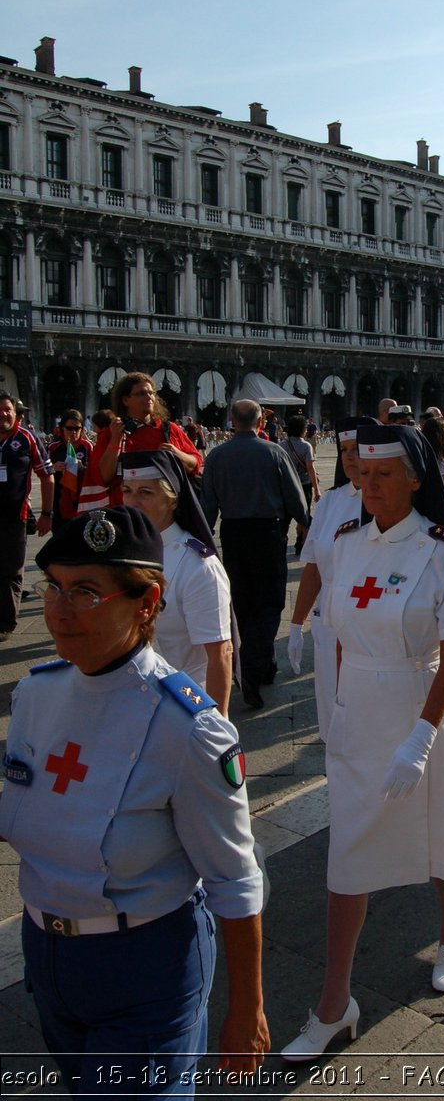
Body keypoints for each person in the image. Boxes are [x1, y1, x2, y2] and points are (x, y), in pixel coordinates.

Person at [0, 507, 268, 1095]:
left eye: (88, 592)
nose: (61, 609)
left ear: (146, 603)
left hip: (146, 964)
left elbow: (234, 878)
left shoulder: (188, 729)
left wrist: (246, 1007)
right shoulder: (36, 695)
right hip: (47, 956)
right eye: (56, 588)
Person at [281, 424, 444, 1061]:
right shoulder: (345, 542)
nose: (367, 485)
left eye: (383, 474)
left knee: (440, 821)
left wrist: (422, 737)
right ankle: (335, 1005)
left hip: (419, 706)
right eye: (362, 474)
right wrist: (338, 705)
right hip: (358, 714)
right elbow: (340, 631)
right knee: (348, 854)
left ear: (415, 478)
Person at [201, 400, 310, 708]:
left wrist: (204, 541)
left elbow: (208, 505)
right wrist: (304, 523)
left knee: (243, 601)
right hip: (268, 533)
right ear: (261, 422)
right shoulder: (274, 452)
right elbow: (295, 498)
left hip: (233, 534)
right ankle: (251, 667)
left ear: (232, 421)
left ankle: (262, 664)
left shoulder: (217, 455)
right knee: (271, 600)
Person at [121, 449, 234, 713]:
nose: (133, 502)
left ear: (172, 500)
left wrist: (219, 725)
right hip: (128, 695)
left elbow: (220, 653)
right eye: (127, 490)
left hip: (182, 700)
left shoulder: (197, 566)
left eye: (146, 493)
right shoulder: (123, 553)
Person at [287, 415, 379, 740]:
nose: (351, 457)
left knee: (368, 725)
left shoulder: (388, 502)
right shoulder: (330, 502)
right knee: (333, 722)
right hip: (328, 624)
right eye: (345, 450)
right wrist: (296, 624)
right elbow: (314, 566)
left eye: (358, 449)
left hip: (374, 628)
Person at [79, 373, 202, 511]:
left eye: (151, 393)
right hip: (125, 515)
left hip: (165, 515)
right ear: (125, 400)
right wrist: (115, 441)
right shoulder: (111, 434)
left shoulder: (170, 430)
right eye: (142, 393)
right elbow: (102, 478)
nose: (149, 397)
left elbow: (196, 462)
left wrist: (177, 454)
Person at [0, 390, 54, 642]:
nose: (3, 414)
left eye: (7, 409)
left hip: (15, 516)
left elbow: (47, 475)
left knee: (12, 570)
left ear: (14, 412)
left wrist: (46, 513)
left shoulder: (26, 438)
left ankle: (6, 623)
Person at [47, 410, 93, 532]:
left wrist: (82, 468)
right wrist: (53, 467)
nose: (73, 432)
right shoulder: (53, 447)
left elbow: (96, 473)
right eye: (69, 428)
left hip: (81, 501)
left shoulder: (87, 446)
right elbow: (43, 471)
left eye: (77, 428)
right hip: (59, 500)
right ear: (62, 429)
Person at [282, 414, 321, 554]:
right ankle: (301, 543)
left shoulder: (281, 446)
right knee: (304, 515)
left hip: (286, 485)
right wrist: (317, 490)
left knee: (285, 516)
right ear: (303, 429)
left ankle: (281, 541)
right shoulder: (306, 446)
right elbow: (310, 469)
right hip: (304, 485)